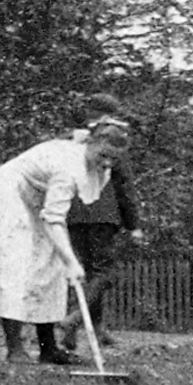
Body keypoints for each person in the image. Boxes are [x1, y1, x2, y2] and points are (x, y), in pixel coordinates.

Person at [0, 121, 133, 364]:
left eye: (113, 159)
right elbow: (54, 218)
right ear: (90, 143)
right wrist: (72, 261)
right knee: (15, 264)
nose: (107, 163)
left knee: (50, 265)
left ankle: (47, 347)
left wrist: (65, 259)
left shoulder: (97, 168)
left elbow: (58, 213)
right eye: (103, 155)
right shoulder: (68, 168)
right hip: (9, 194)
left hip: (37, 200)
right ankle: (15, 348)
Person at [59, 93, 144, 351]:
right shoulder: (113, 138)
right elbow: (124, 185)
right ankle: (74, 318)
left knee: (85, 272)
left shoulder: (71, 139)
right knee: (105, 272)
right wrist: (134, 225)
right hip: (103, 215)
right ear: (108, 114)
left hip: (74, 213)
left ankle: (94, 329)